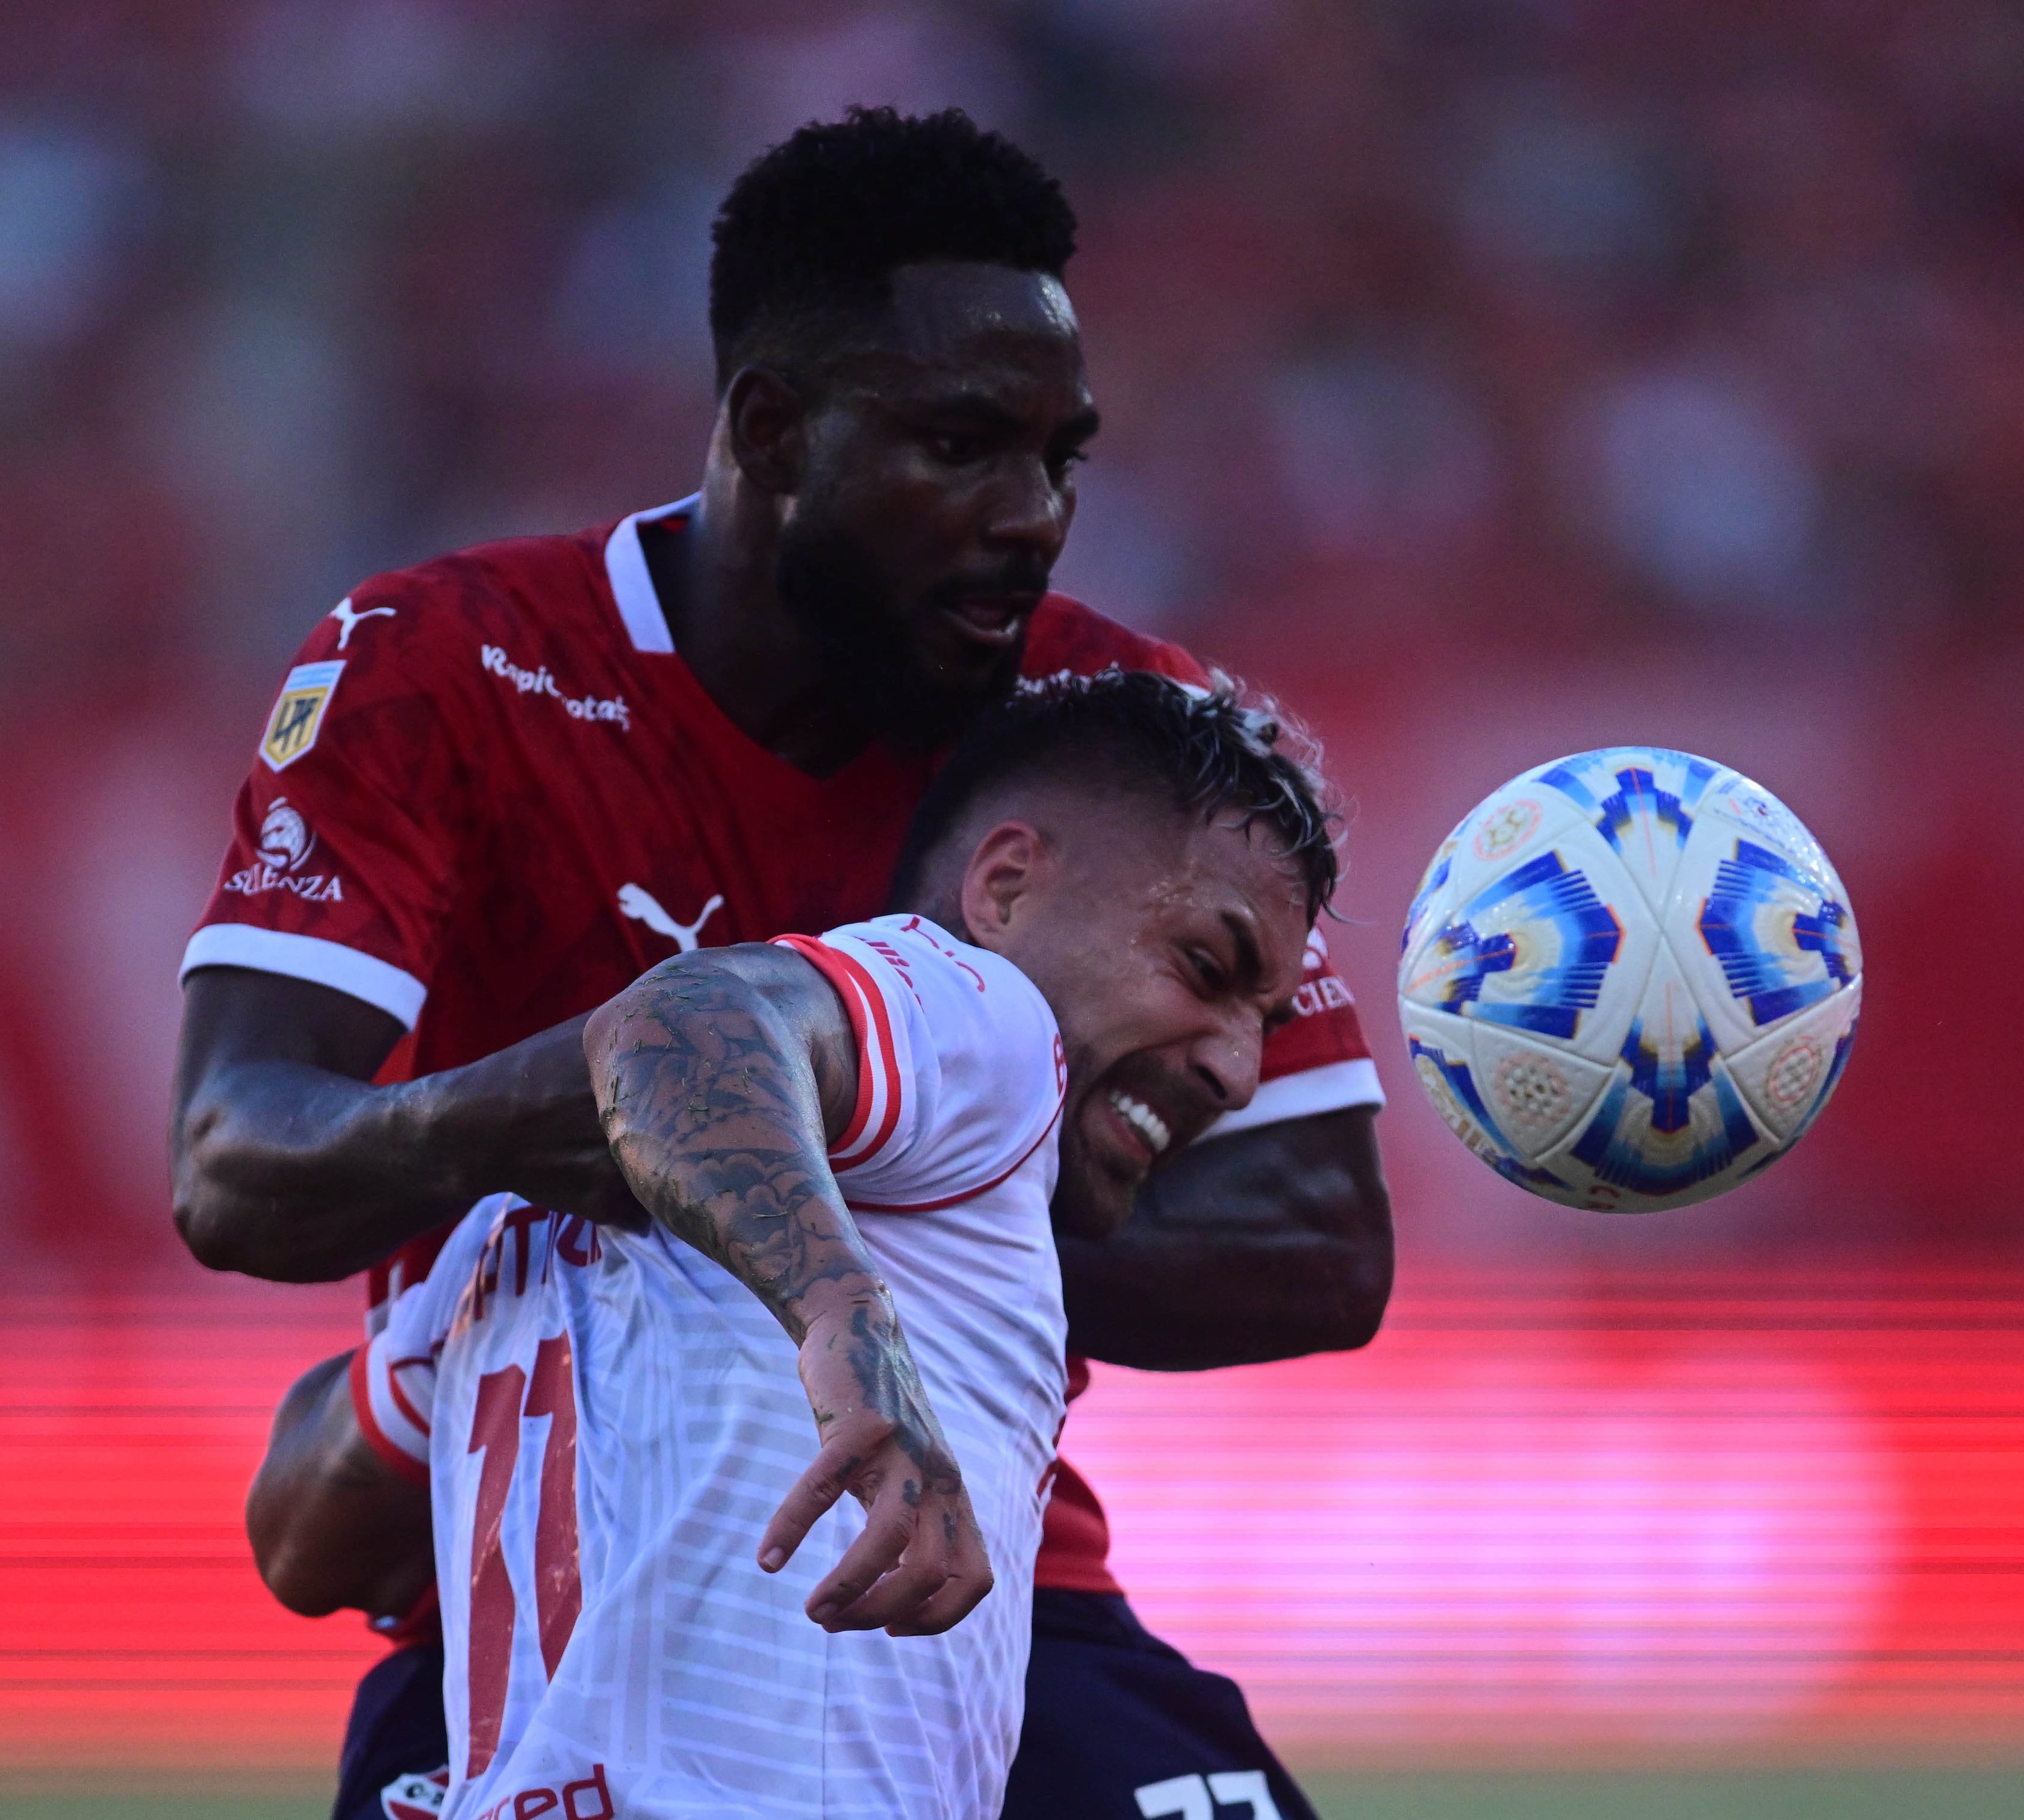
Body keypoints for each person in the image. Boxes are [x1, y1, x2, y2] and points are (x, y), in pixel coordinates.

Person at [170, 108, 1390, 1820]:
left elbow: (1318, 1243)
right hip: (540, 1591)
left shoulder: (1117, 736)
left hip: (965, 1563)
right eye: (961, 444)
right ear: (773, 426)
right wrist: (605, 1154)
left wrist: (837, 1198)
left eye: (1060, 459)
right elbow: (236, 1158)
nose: (1031, 516)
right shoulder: (448, 668)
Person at [248, 673, 1339, 1820]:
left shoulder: (517, 1232)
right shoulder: (992, 1020)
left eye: (1263, 1023)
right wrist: (843, 1327)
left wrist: (440, 1364)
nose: (1237, 1070)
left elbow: (298, 1539)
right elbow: (678, 1024)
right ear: (1006, 890)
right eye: (1207, 971)